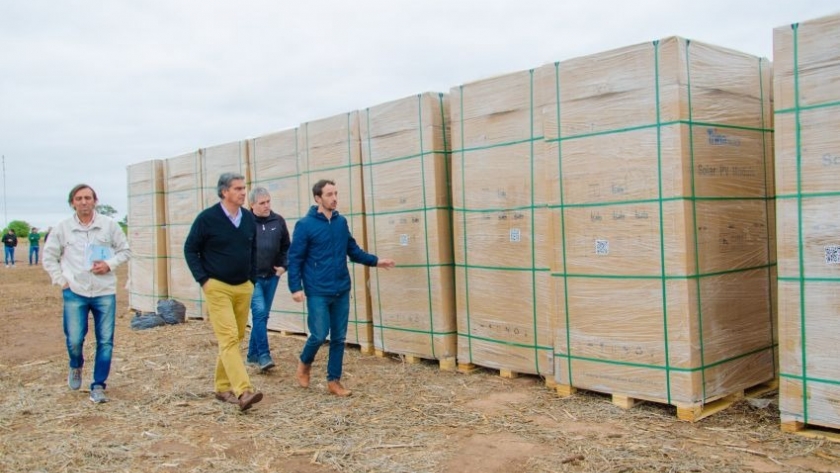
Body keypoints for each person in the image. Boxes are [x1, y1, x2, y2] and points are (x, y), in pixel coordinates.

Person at [287, 179, 395, 397]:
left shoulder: (340, 222)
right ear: (318, 198)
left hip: (341, 288)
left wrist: (375, 261)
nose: (334, 198)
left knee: (338, 337)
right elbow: (295, 258)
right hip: (318, 289)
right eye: (329, 194)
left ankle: (333, 381)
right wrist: (295, 287)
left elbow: (352, 250)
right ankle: (304, 363)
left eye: (336, 193)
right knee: (318, 334)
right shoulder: (305, 225)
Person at [42, 184, 132, 403]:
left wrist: (109, 265)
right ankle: (75, 365)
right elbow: (49, 257)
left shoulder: (109, 226)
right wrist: (61, 280)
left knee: (105, 341)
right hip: (75, 291)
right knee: (74, 339)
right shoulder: (62, 228)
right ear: (72, 202)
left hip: (104, 291)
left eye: (88, 198)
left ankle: (98, 385)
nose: (84, 202)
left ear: (95, 201)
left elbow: (125, 250)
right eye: (79, 198)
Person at [183, 173, 263, 411]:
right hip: (217, 286)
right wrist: (204, 280)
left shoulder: (248, 218)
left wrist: (252, 279)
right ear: (224, 192)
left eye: (243, 188)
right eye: (237, 188)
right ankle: (243, 390)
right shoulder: (207, 219)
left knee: (236, 337)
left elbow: (253, 249)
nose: (242, 192)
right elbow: (190, 249)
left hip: (243, 286)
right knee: (228, 338)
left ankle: (221, 386)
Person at [246, 187, 290, 372]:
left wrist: (283, 267)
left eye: (268, 201)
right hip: (251, 279)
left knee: (262, 317)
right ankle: (264, 355)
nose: (266, 206)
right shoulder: (244, 223)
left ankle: (252, 355)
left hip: (271, 277)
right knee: (260, 314)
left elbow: (287, 247)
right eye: (262, 203)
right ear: (252, 205)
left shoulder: (277, 221)